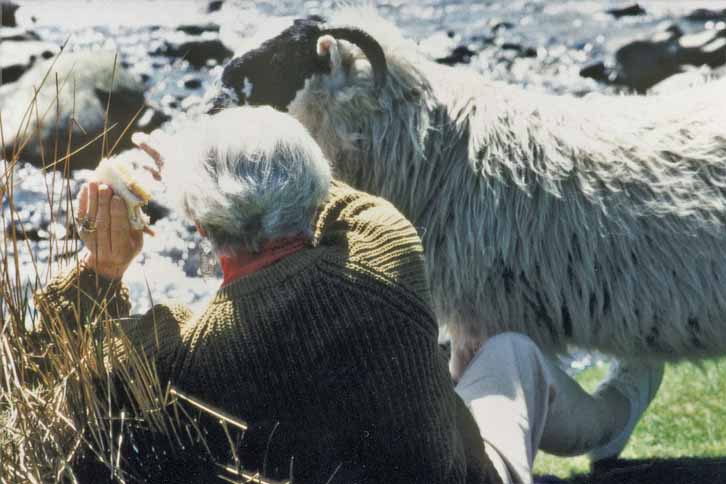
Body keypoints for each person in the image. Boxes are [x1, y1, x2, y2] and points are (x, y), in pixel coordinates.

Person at [35, 106, 662, 484]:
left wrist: (100, 265)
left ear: (198, 226)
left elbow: (43, 368)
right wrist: (198, 158)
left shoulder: (169, 356)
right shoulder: (386, 256)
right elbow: (333, 197)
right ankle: (613, 419)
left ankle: (611, 418)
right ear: (312, 198)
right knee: (513, 354)